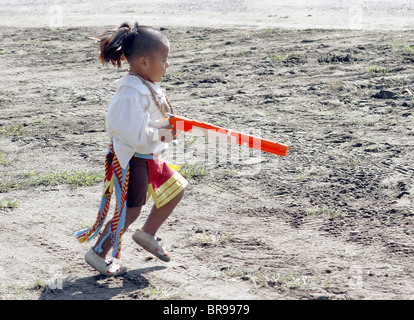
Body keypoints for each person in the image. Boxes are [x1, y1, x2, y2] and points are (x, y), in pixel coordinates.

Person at [74, 22, 188, 276]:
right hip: (134, 158)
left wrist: (170, 128)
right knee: (130, 210)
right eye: (164, 60)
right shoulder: (129, 92)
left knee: (175, 189)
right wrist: (164, 133)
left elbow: (151, 123)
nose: (167, 65)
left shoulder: (146, 85)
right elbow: (135, 135)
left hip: (150, 155)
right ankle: (98, 253)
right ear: (144, 63)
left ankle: (148, 234)